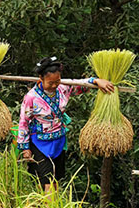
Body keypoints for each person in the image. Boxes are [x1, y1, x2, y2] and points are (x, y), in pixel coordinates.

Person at [16, 57, 115, 191]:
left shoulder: (63, 88)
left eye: (57, 81)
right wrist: (25, 147)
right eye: (51, 82)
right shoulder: (31, 97)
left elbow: (81, 84)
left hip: (58, 141)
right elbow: (24, 122)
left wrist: (96, 81)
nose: (54, 85)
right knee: (47, 180)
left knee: (55, 179)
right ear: (41, 78)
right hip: (39, 142)